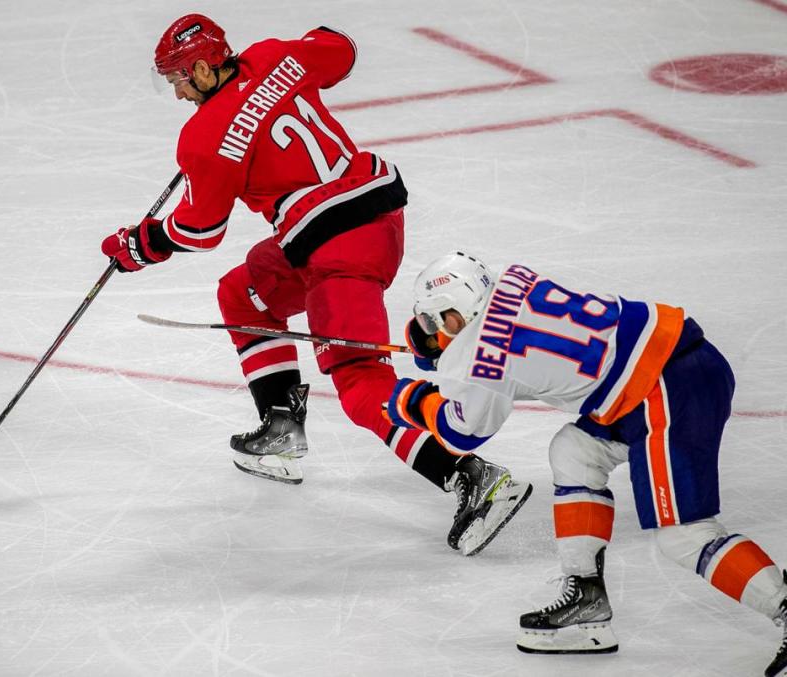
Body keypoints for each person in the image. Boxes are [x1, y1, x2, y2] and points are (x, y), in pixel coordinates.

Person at [99, 15, 531, 554]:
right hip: (373, 218)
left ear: (205, 68)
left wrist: (140, 243)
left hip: (338, 252)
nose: (178, 92)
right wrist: (303, 49)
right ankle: (281, 427)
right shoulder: (275, 54)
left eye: (180, 80)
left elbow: (200, 229)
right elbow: (340, 50)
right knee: (244, 292)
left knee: (359, 381)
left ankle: (472, 477)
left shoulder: (203, 140)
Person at [385, 250, 787, 674]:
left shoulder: (480, 357)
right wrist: (443, 348)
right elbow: (514, 356)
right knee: (574, 451)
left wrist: (414, 401)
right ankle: (587, 601)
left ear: (458, 316)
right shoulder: (503, 278)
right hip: (666, 367)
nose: (432, 330)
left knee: (684, 537)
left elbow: (462, 431)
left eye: (435, 322)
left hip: (665, 391)